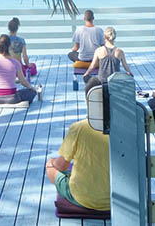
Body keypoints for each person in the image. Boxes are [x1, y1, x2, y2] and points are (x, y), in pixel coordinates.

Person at [46, 77, 110, 212]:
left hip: (83, 198)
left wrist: (52, 162)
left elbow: (61, 165)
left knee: (50, 167)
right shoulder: (126, 128)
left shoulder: (78, 128)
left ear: (88, 101)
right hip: (119, 198)